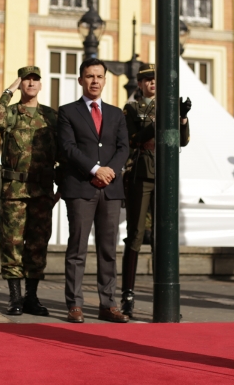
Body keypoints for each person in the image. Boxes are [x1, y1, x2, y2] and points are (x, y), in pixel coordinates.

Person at [58, 58, 130, 324]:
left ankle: (108, 304)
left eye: (99, 76)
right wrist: (94, 169)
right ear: (80, 80)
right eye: (89, 76)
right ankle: (74, 304)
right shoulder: (67, 112)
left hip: (111, 189)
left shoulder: (116, 113)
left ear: (105, 79)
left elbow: (124, 147)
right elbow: (67, 147)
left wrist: (109, 170)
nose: (95, 81)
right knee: (77, 247)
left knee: (108, 248)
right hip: (80, 187)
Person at [120, 63, 190, 317]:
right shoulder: (131, 108)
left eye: (155, 80)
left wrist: (181, 117)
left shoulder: (168, 108)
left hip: (165, 173)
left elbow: (182, 140)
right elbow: (133, 139)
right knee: (136, 234)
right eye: (147, 80)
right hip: (141, 173)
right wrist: (161, 119)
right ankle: (127, 295)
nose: (152, 83)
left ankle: (166, 296)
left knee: (164, 236)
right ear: (139, 84)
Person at [0, 66, 58, 316]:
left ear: (41, 85)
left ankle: (32, 297)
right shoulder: (11, 114)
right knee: (12, 243)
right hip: (14, 191)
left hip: (41, 191)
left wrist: (58, 190)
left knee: (38, 244)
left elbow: (61, 152)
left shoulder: (51, 116)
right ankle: (15, 297)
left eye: (35, 79)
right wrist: (9, 90)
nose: (30, 83)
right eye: (26, 79)